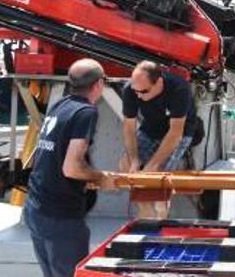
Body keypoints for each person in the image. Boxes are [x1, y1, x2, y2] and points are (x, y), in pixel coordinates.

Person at [24, 59, 116, 277]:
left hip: (36, 208)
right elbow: (71, 168)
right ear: (98, 84)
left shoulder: (59, 105)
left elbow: (47, 155)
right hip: (60, 217)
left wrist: (88, 179)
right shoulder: (86, 112)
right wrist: (102, 177)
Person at [120, 60, 198, 218]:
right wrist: (134, 159)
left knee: (160, 176)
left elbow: (175, 133)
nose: (139, 96)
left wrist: (152, 165)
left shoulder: (179, 89)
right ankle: (145, 212)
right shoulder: (131, 89)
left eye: (144, 91)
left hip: (179, 131)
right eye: (136, 91)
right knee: (125, 164)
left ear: (159, 82)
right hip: (151, 127)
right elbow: (129, 128)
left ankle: (161, 215)